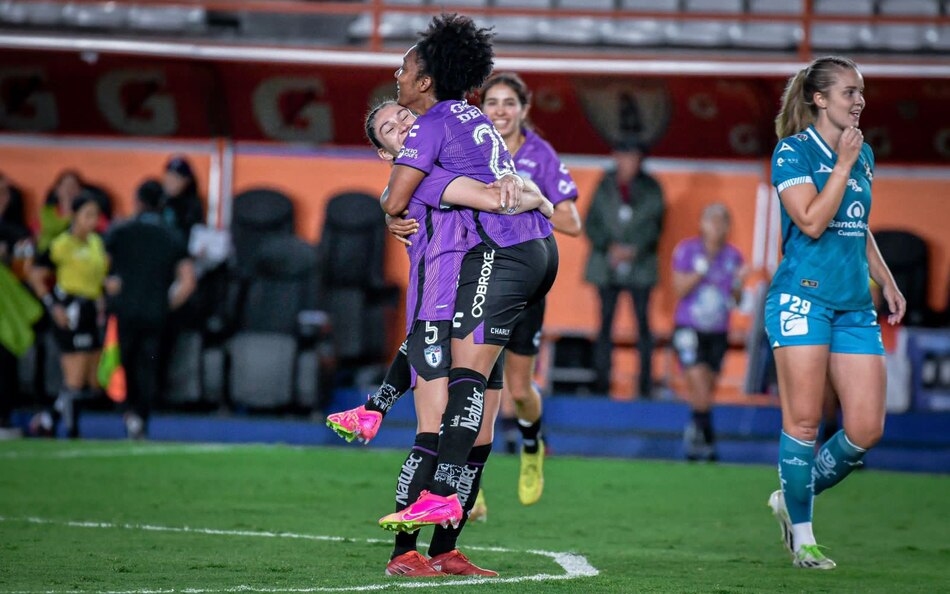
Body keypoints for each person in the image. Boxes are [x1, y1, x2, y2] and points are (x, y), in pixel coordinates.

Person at [328, 100, 552, 577]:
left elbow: (518, 197)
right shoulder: (419, 179)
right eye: (389, 128)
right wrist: (532, 197)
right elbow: (498, 199)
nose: (404, 125)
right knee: (432, 431)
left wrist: (523, 189)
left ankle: (445, 549)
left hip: (473, 306)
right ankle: (403, 553)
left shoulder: (445, 162)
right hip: (436, 308)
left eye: (404, 116)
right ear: (388, 154)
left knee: (480, 437)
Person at [374, 15, 558, 540]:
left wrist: (391, 208)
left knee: (465, 379)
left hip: (502, 255)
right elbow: (507, 189)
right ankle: (447, 514)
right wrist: (539, 198)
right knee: (479, 385)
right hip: (534, 247)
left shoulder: (431, 127)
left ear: (427, 79)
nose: (399, 73)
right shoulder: (468, 117)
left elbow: (395, 197)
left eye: (406, 67)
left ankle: (438, 501)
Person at [765, 56, 905, 570]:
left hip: (853, 305)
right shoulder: (792, 153)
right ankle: (804, 537)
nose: (859, 101)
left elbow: (856, 221)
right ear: (819, 99)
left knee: (866, 429)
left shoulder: (862, 152)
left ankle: (790, 495)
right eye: (849, 92)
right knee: (804, 422)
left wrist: (886, 279)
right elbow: (812, 220)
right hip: (802, 299)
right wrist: (842, 165)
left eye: (861, 92)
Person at [480, 72, 581, 505]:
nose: (500, 111)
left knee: (518, 392)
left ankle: (532, 445)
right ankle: (467, 484)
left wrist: (535, 201)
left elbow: (572, 223)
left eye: (508, 103)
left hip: (525, 281)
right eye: (492, 103)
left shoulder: (540, 156)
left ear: (525, 108)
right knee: (475, 382)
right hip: (480, 276)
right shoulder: (471, 149)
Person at [104, 180, 196, 439]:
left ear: (137, 201)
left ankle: (126, 412)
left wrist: (110, 296)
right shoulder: (172, 234)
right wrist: (166, 305)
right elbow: (188, 281)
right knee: (149, 366)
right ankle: (142, 417)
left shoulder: (120, 232)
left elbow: (103, 272)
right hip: (155, 313)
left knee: (125, 362)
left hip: (125, 309)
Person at [585, 142, 664, 399]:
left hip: (640, 266)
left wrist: (634, 249)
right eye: (623, 156)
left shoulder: (652, 187)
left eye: (633, 156)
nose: (628, 161)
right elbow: (591, 222)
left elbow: (656, 224)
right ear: (615, 157)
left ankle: (644, 387)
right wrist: (610, 247)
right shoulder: (604, 185)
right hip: (606, 266)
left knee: (643, 325)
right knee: (604, 325)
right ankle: (601, 385)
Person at [27, 194, 108, 438]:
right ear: (75, 216)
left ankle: (47, 419)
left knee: (94, 380)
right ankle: (71, 432)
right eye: (88, 215)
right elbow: (35, 274)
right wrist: (53, 305)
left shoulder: (95, 243)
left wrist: (104, 291)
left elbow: (97, 276)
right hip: (70, 310)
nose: (93, 221)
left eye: (96, 216)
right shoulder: (62, 244)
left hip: (91, 310)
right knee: (75, 377)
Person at [671, 203, 746, 462]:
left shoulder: (734, 257)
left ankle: (695, 430)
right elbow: (679, 289)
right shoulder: (687, 251)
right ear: (702, 224)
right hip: (689, 328)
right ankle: (707, 440)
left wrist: (739, 283)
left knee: (708, 386)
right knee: (699, 381)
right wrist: (701, 271)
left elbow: (737, 299)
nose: (717, 227)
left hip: (718, 329)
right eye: (711, 221)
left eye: (722, 221)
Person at [161, 156, 204, 244]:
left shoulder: (192, 206)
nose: (171, 181)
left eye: (176, 177)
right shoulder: (158, 200)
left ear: (187, 181)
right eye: (169, 176)